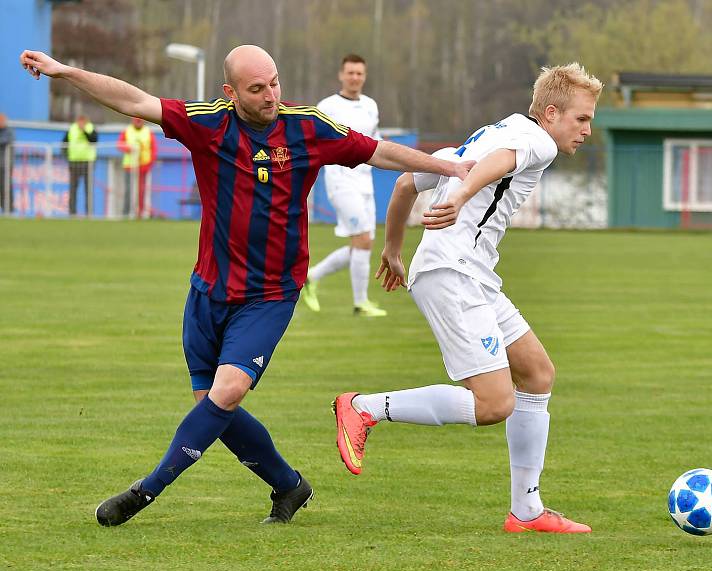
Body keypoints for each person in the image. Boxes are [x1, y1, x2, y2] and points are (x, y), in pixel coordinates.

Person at [20, 45, 472, 528]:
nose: (271, 95)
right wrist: (66, 71)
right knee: (213, 407)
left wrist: (448, 166)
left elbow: (377, 150)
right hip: (208, 291)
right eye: (257, 88)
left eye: (274, 83)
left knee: (228, 392)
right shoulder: (208, 123)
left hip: (271, 294)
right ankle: (288, 485)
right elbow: (134, 102)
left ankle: (145, 491)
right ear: (230, 92)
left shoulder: (307, 127)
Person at [332, 63, 602, 534]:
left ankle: (527, 512)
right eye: (581, 118)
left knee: (537, 373)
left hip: (470, 273)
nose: (587, 129)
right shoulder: (535, 140)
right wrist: (461, 199)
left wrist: (393, 249)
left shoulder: (487, 135)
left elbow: (403, 184)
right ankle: (365, 407)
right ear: (552, 112)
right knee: (495, 404)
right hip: (451, 273)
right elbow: (496, 167)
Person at [304, 54, 386, 317]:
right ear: (341, 75)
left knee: (363, 244)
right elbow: (314, 140)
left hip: (365, 182)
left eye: (359, 73)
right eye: (350, 73)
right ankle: (360, 303)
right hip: (340, 181)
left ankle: (311, 276)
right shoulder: (327, 106)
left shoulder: (371, 105)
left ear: (365, 76)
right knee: (362, 239)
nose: (354, 78)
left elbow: (376, 141)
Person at [117, 116, 157, 218]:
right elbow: (119, 145)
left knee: (141, 191)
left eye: (140, 121)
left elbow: (153, 149)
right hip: (130, 165)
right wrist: (129, 149)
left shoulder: (148, 132)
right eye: (136, 121)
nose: (138, 123)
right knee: (128, 190)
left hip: (144, 165)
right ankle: (126, 213)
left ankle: (140, 212)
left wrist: (150, 163)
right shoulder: (127, 131)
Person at [63, 114, 98, 216]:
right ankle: (72, 212)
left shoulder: (91, 128)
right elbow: (64, 143)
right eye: (79, 121)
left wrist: (84, 131)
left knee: (88, 189)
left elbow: (94, 140)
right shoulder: (72, 129)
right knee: (73, 189)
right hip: (74, 162)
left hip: (88, 163)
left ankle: (89, 213)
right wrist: (66, 156)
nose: (81, 123)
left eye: (83, 121)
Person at [0, 113, 13, 213]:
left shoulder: (8, 131)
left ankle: (8, 208)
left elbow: (5, 140)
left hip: (5, 164)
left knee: (6, 187)